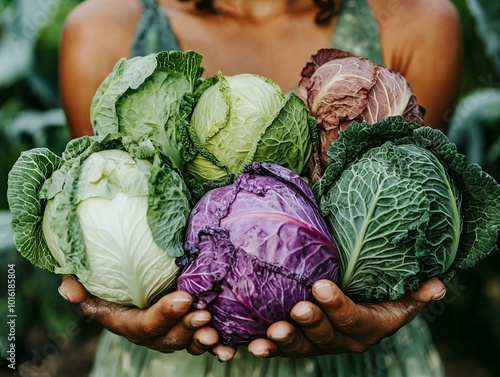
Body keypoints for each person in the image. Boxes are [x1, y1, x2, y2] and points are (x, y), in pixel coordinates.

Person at [57, 0, 462, 375]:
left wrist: (391, 296)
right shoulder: (100, 32)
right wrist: (115, 294)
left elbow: (407, 205)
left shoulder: (417, 21)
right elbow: (102, 212)